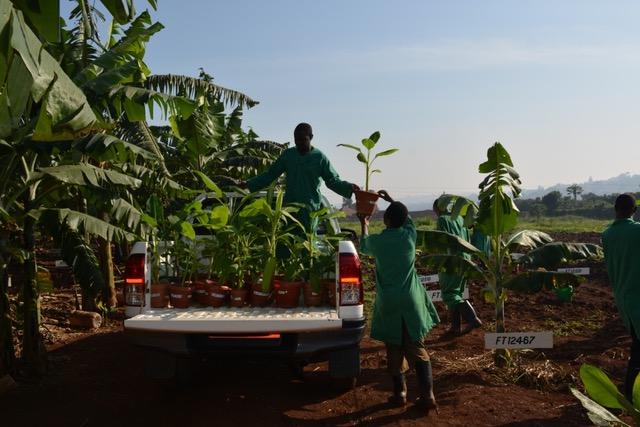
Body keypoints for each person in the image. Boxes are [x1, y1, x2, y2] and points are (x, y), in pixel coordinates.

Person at [358, 190, 439, 415]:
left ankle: (400, 393)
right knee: (417, 346)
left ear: (386, 220)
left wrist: (364, 222)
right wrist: (392, 200)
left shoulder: (379, 241)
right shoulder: (409, 236)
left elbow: (363, 244)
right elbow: (408, 220)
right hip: (411, 300)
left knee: (394, 346)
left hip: (390, 302)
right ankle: (427, 395)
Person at [241, 123, 358, 231]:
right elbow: (270, 175)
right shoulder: (288, 155)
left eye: (303, 139)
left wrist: (349, 187)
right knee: (287, 244)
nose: (299, 143)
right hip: (290, 209)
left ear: (311, 137)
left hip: (309, 210)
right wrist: (248, 184)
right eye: (297, 140)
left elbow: (332, 180)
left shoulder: (319, 158)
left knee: (307, 243)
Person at [602, 193, 640, 400]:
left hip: (625, 300)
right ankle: (632, 396)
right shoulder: (637, 231)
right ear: (634, 211)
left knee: (637, 349)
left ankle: (631, 393)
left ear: (615, 209)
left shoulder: (607, 235)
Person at [433, 198, 482, 335]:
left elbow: (442, 241)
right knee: (458, 294)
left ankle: (473, 319)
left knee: (450, 294)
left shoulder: (442, 220)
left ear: (438, 208)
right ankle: (455, 327)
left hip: (451, 261)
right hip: (465, 260)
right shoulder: (460, 218)